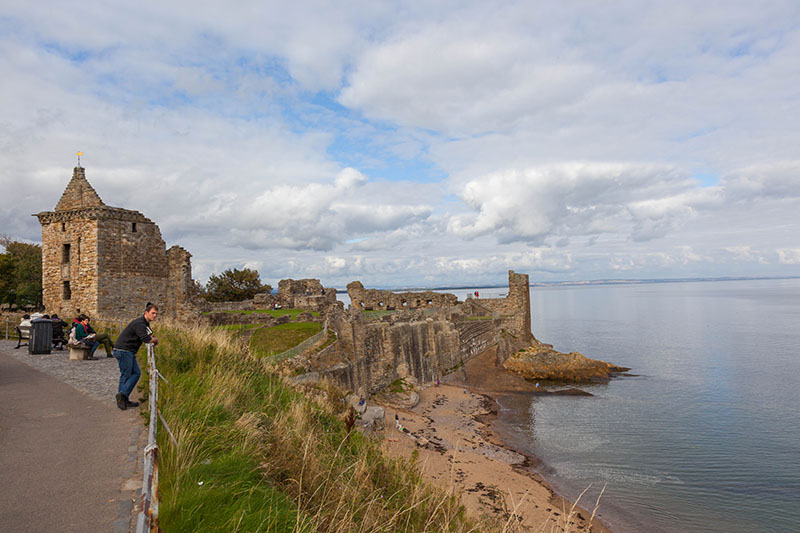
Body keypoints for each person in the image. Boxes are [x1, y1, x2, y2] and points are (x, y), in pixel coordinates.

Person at [112, 303, 159, 410]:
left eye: (156, 314)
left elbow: (148, 335)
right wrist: (155, 340)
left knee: (136, 373)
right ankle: (121, 398)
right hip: (124, 350)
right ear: (146, 313)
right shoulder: (140, 323)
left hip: (128, 351)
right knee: (126, 375)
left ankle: (123, 397)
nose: (155, 315)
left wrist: (151, 338)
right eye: (153, 313)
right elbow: (146, 339)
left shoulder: (144, 324)